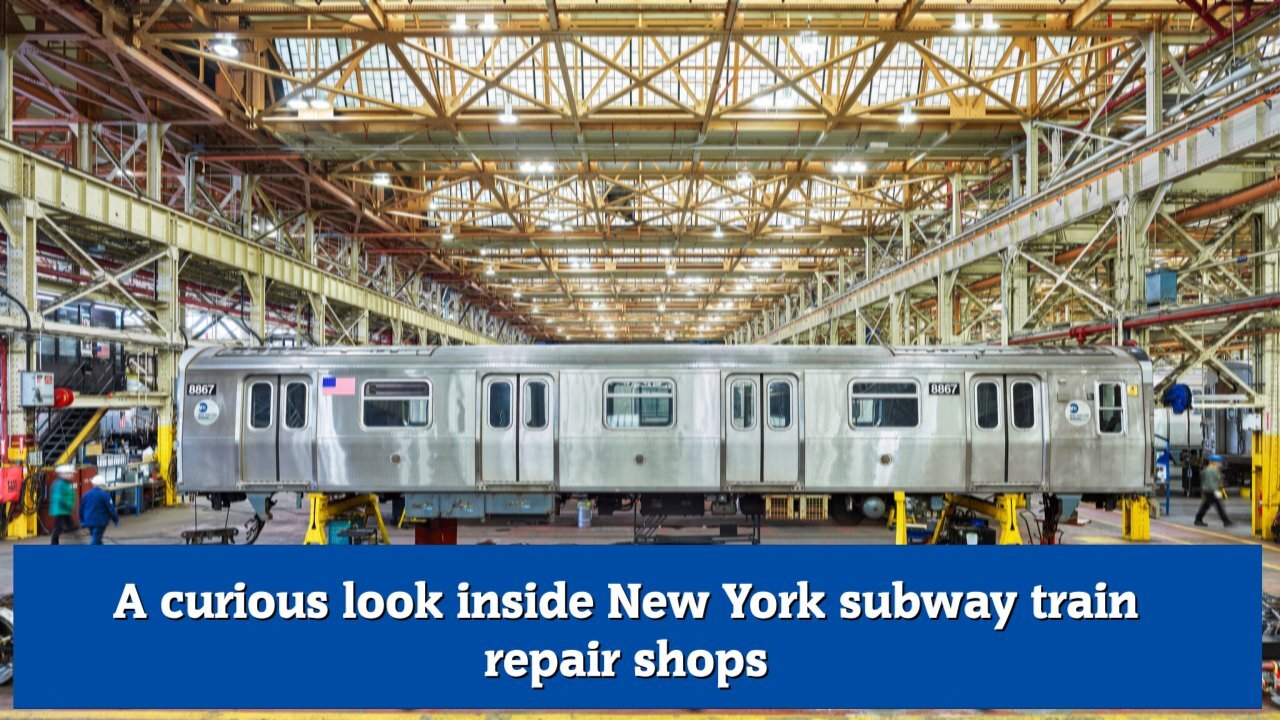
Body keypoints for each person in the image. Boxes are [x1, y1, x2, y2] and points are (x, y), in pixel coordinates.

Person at [78, 475, 118, 545]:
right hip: (100, 521)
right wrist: (115, 519)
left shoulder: (86, 494)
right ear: (102, 485)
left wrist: (82, 520)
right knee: (95, 540)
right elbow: (110, 508)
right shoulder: (105, 495)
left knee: (97, 539)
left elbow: (81, 508)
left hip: (88, 520)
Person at [1194, 454, 1233, 527]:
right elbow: (1211, 482)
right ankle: (1226, 521)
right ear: (1214, 462)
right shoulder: (1210, 470)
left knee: (1207, 506)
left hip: (1211, 491)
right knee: (1217, 507)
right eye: (1219, 462)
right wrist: (1217, 492)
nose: (1220, 463)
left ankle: (1198, 519)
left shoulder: (1214, 469)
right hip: (1211, 491)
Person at [48, 464, 77, 545]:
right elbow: (60, 498)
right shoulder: (60, 484)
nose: (71, 475)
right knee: (59, 528)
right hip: (61, 510)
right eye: (69, 473)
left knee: (67, 527)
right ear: (63, 474)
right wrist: (68, 504)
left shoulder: (64, 483)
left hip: (64, 510)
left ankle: (74, 543)